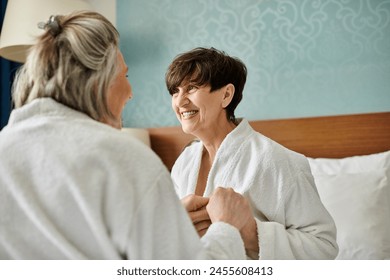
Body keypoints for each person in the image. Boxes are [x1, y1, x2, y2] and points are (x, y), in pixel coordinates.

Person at [0, 11, 254, 260]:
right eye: (125, 75)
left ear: (226, 95)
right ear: (100, 83)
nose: (130, 92)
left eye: (192, 88)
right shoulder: (126, 160)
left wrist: (163, 221)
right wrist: (227, 228)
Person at [165, 47, 339, 259]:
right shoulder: (184, 162)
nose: (180, 101)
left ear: (226, 95)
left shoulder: (276, 161)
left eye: (191, 88)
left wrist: (248, 231)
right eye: (175, 91)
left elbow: (324, 247)